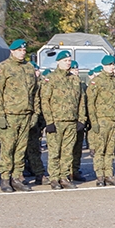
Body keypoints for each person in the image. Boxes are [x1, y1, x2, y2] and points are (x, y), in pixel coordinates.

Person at [0, 39, 40, 192]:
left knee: (21, 148)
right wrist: (0, 114)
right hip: (10, 114)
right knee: (8, 147)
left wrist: (35, 112)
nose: (22, 53)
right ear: (12, 51)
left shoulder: (28, 68)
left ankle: (17, 177)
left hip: (25, 114)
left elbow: (35, 93)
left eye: (24, 51)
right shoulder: (4, 67)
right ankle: (5, 178)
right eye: (19, 51)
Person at [41, 51, 83, 189]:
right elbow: (45, 101)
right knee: (54, 152)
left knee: (67, 152)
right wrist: (49, 121)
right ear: (58, 62)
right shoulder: (51, 79)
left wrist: (81, 119)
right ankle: (54, 178)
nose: (68, 62)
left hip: (71, 121)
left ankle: (64, 177)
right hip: (57, 121)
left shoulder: (75, 79)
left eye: (69, 60)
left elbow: (81, 100)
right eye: (65, 60)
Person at [87, 55, 115, 186]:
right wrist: (94, 122)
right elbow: (91, 104)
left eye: (113, 65)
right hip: (102, 120)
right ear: (103, 66)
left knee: (110, 150)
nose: (111, 67)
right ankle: (100, 176)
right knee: (100, 150)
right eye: (109, 65)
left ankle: (109, 174)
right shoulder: (97, 82)